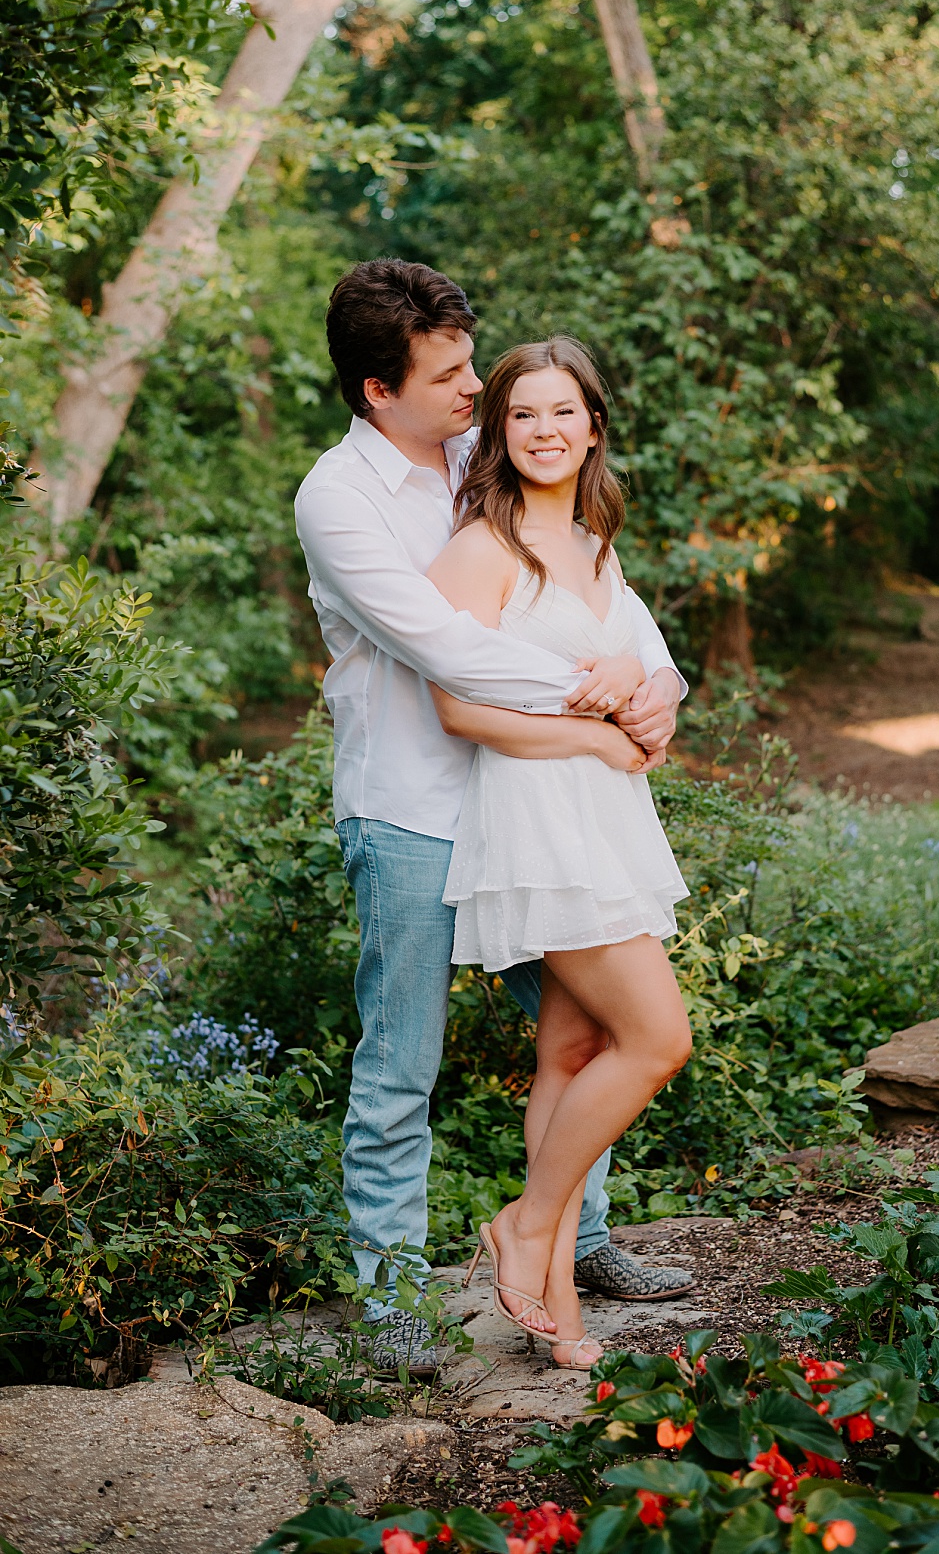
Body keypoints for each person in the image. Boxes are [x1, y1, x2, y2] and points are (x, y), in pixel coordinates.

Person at [294, 260, 696, 1379]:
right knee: (402, 1059)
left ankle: (578, 1240)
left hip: (528, 809)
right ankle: (389, 1296)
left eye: (475, 362)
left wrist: (653, 683)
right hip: (415, 812)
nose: (475, 385)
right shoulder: (340, 498)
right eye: (450, 372)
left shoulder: (482, 451)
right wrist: (601, 699)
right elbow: (453, 652)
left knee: (582, 1034)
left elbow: (591, 581)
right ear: (379, 389)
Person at [431, 337, 694, 1367]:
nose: (545, 430)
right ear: (499, 431)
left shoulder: (595, 542)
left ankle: (554, 1313)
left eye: (563, 411)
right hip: (541, 819)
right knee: (658, 1036)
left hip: (610, 815)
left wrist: (640, 679)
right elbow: (457, 706)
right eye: (523, 414)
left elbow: (641, 663)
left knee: (573, 1052)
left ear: (593, 425)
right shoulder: (478, 549)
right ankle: (532, 1221)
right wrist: (595, 733)